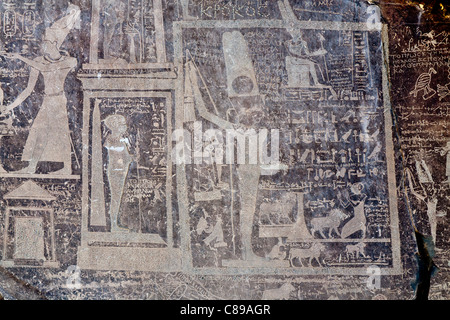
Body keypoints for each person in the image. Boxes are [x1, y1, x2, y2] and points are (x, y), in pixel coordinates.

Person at [0, 4, 80, 175]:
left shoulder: (68, 61)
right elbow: (28, 90)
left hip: (59, 100)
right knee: (39, 131)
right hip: (47, 100)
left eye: (48, 42)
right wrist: (10, 106)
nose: (45, 45)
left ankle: (66, 169)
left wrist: (21, 57)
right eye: (44, 42)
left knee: (61, 132)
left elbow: (51, 68)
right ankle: (31, 167)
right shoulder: (39, 60)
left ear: (56, 43)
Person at [104, 114, 133, 232]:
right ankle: (114, 225)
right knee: (115, 198)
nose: (125, 127)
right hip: (117, 171)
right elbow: (119, 157)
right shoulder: (113, 140)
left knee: (117, 198)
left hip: (119, 170)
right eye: (122, 125)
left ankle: (115, 224)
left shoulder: (118, 139)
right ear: (116, 126)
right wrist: (131, 158)